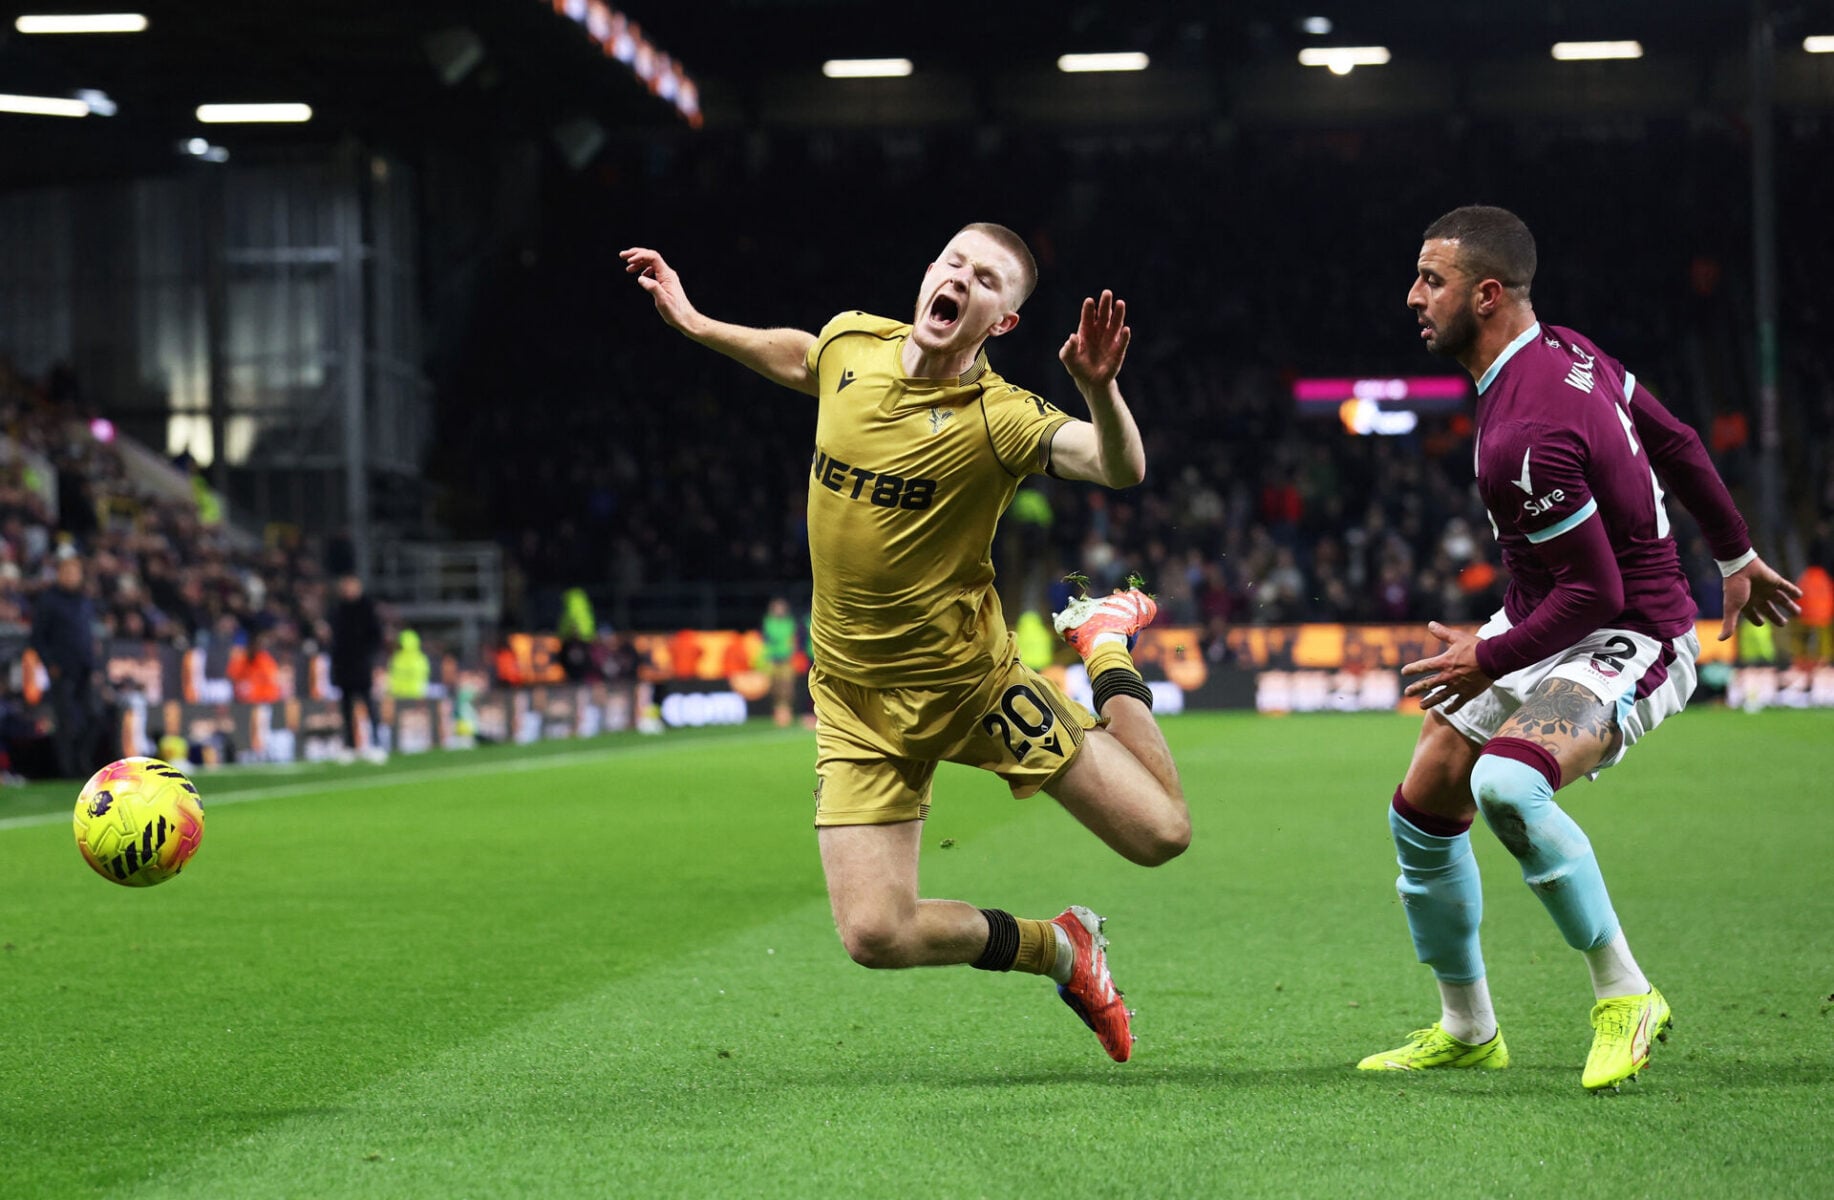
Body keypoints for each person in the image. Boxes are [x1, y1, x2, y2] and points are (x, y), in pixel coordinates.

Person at [622, 223, 1190, 1062]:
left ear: (1000, 322)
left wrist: (1100, 390)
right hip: (852, 698)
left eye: (987, 279)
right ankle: (1063, 948)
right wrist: (697, 323)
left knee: (1161, 837)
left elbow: (1118, 466)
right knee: (875, 933)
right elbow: (800, 356)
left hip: (973, 689)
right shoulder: (854, 342)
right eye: (954, 261)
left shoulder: (999, 417)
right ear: (928, 275)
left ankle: (1104, 643)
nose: (963, 277)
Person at [1363, 206, 1802, 1091]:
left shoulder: (1525, 429)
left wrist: (1490, 656)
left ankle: (1625, 994)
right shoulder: (1568, 349)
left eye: (1430, 280)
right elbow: (1675, 441)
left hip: (1631, 634)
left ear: (1487, 295)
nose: (1413, 296)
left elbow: (1599, 594)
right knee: (1425, 799)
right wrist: (1736, 551)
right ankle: (1468, 1025)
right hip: (1553, 616)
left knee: (1507, 783)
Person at [29, 550, 101, 777]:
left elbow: (88, 636)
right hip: (62, 671)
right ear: (59, 573)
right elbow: (37, 638)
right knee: (67, 723)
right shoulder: (49, 600)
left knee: (93, 718)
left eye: (75, 571)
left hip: (85, 670)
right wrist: (50, 664)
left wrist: (95, 665)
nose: (72, 575)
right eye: (67, 571)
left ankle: (83, 762)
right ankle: (67, 770)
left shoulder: (84, 600)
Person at [328, 573, 386, 763]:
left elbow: (376, 637)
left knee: (368, 705)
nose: (348, 590)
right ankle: (350, 746)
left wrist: (368, 657)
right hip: (343, 666)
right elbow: (334, 639)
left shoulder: (367, 609)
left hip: (361, 665)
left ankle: (376, 744)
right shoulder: (337, 609)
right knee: (346, 709)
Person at [760, 596, 800, 727]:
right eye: (777, 608)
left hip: (786, 659)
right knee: (774, 687)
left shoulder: (790, 622)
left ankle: (787, 711)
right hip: (772, 660)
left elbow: (792, 640)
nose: (779, 610)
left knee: (787, 687)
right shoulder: (768, 622)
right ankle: (777, 712)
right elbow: (767, 640)